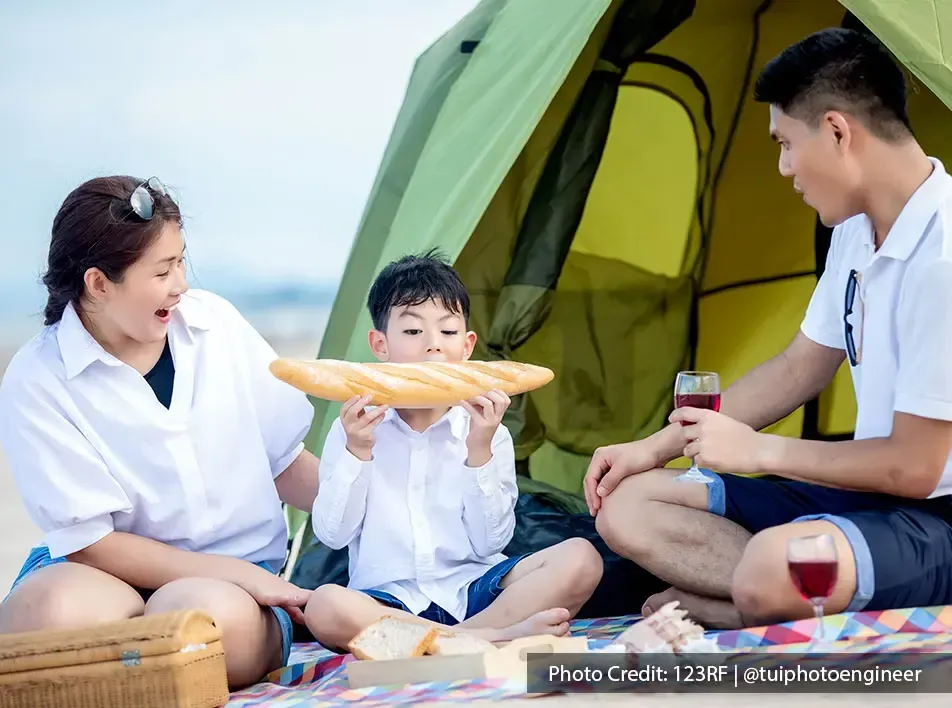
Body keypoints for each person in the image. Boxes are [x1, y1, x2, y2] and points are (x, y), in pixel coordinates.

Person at [585, 27, 952, 629]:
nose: (783, 168)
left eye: (785, 143)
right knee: (627, 504)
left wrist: (760, 451)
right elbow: (797, 367)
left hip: (935, 519)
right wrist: (651, 449)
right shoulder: (856, 232)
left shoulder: (944, 255)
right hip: (866, 502)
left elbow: (915, 467)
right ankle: (772, 598)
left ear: (837, 132)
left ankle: (753, 596)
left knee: (774, 566)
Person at [0, 176, 321, 689]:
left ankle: (123, 666)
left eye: (181, 263)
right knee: (48, 616)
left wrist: (388, 508)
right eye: (162, 270)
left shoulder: (215, 325)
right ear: (98, 284)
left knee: (199, 629)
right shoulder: (37, 376)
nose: (181, 285)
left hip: (230, 587)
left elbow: (285, 462)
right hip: (101, 576)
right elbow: (89, 544)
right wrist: (235, 574)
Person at [303, 250, 603, 649]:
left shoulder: (487, 430)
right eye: (413, 331)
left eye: (447, 331)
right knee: (325, 605)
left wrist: (479, 450)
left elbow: (490, 544)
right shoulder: (354, 428)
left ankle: (449, 641)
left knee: (582, 558)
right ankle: (484, 639)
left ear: (467, 346)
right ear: (380, 344)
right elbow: (333, 535)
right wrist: (358, 452)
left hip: (476, 591)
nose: (433, 346)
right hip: (390, 602)